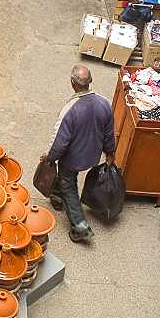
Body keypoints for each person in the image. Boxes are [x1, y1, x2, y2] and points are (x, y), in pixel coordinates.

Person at [42, 65, 116, 243]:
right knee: (66, 181)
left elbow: (60, 142)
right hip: (92, 155)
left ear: (72, 83)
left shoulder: (70, 109)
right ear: (90, 81)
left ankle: (79, 226)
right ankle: (57, 197)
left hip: (72, 159)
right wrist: (110, 152)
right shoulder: (104, 103)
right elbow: (109, 133)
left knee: (69, 183)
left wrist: (49, 158)